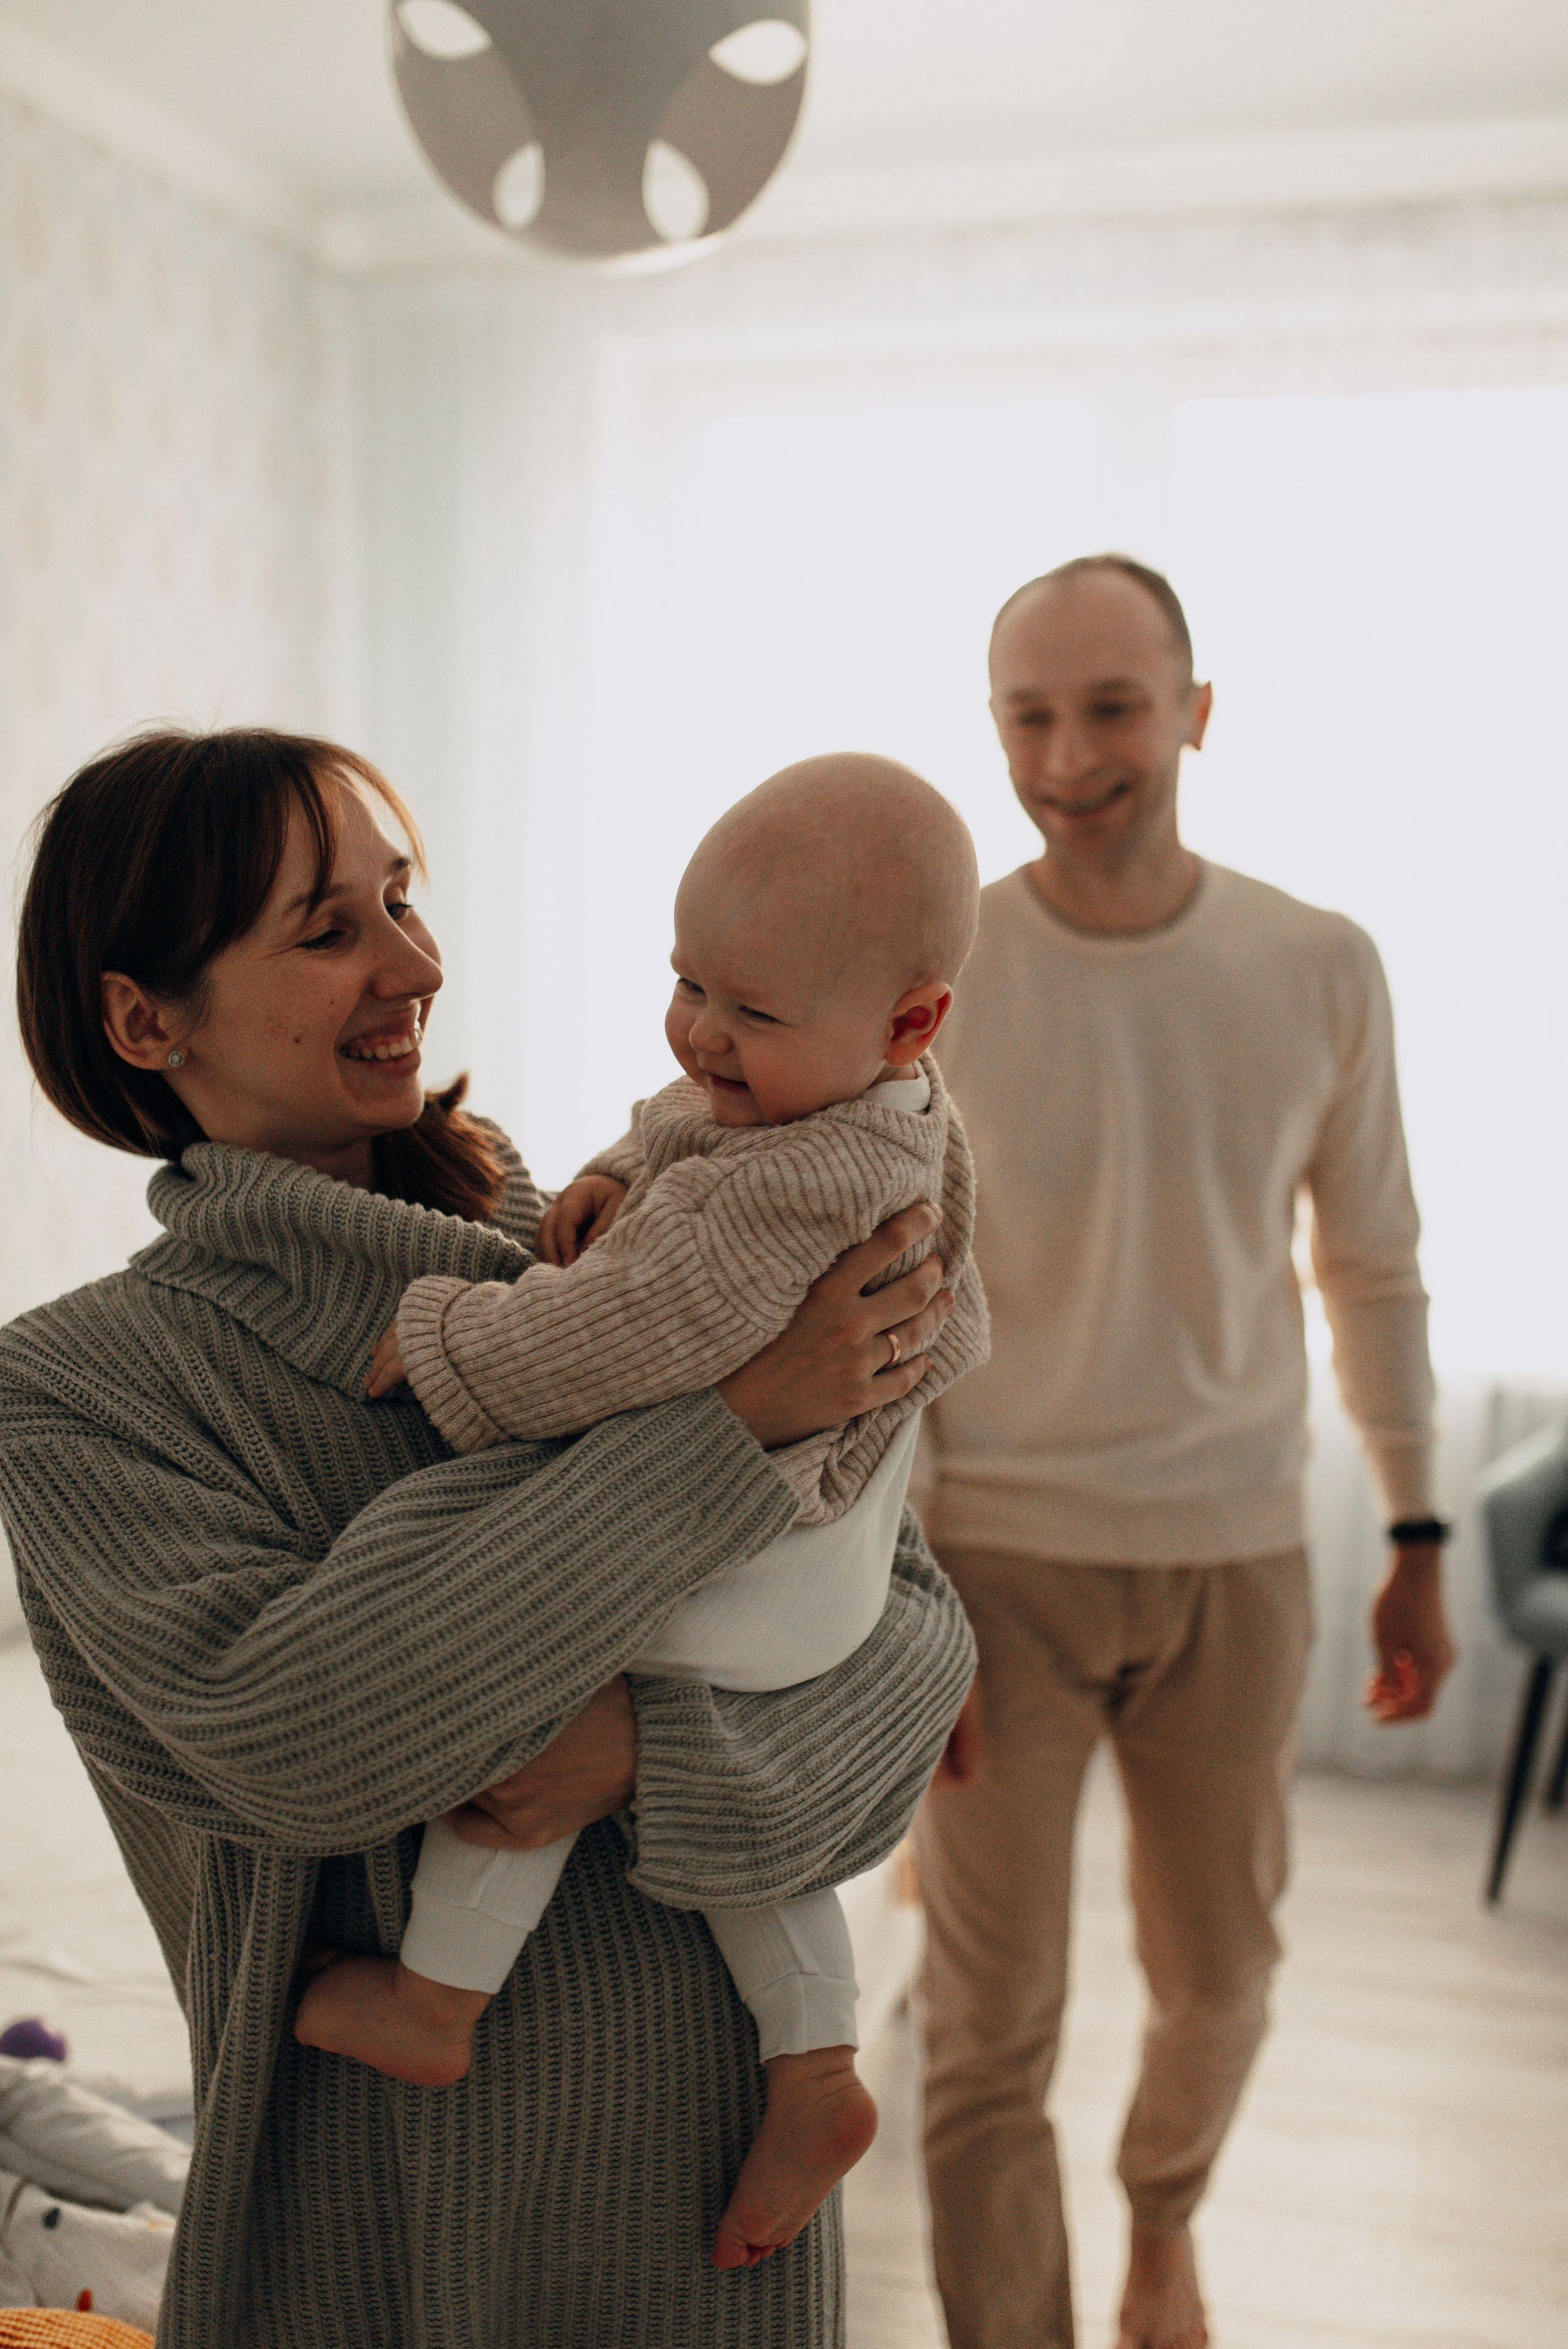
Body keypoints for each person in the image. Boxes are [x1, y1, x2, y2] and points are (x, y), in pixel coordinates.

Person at [0, 727, 978, 2349]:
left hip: (714, 2226)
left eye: (403, 900)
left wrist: (642, 1754)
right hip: (382, 2237)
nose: (416, 963)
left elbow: (914, 1649)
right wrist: (724, 1428)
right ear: (140, 1016)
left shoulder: (605, 1246)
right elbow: (316, 1734)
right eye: (331, 930)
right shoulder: (80, 1388)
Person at [293, 753, 991, 2271]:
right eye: (685, 983)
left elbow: (624, 1332)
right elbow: (698, 1112)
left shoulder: (779, 1197)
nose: (697, 1034)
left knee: (524, 1662)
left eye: (744, 1013)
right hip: (833, 1554)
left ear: (909, 1015)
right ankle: (811, 2065)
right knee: (719, 1787)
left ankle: (438, 1995)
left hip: (757, 1550)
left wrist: (445, 1340)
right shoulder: (871, 1089)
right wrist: (622, 1159)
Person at [913, 556, 1455, 2349]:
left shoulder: (1316, 964)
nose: (1070, 755)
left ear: (1198, 711)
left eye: (1113, 706)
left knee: (1221, 1975)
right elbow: (805, 1189)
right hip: (989, 1562)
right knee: (992, 2029)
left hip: (1236, 1557)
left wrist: (1419, 1524)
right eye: (1029, 715)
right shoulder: (941, 967)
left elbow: (1369, 1261)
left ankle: (1164, 2217)